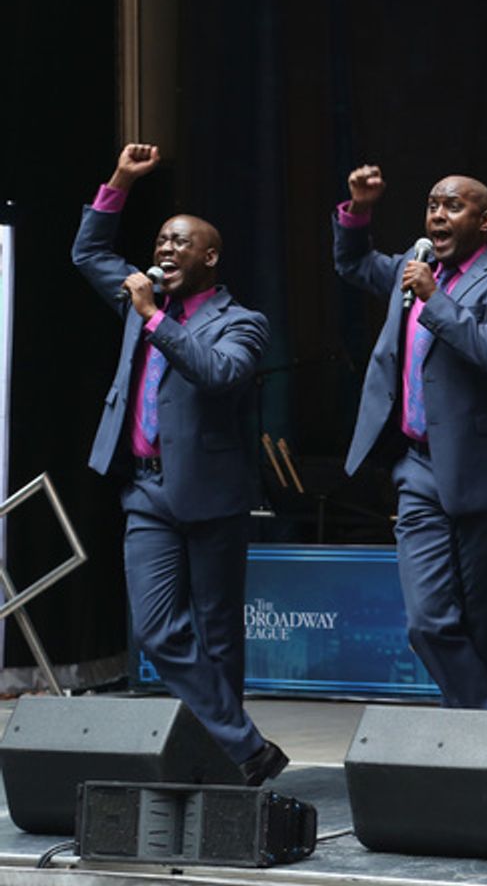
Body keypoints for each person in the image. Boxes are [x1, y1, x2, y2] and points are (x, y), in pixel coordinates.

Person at [71, 143, 286, 785]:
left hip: (213, 494)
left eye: (179, 243)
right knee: (160, 631)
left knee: (218, 636)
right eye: (161, 240)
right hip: (147, 490)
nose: (164, 250)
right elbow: (87, 254)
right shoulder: (141, 302)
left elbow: (219, 373)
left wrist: (153, 317)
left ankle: (223, 759)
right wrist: (118, 182)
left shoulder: (241, 321)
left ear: (209, 257)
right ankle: (247, 746)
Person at [332, 166, 487, 710]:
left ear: (485, 220)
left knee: (478, 624)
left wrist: (435, 299)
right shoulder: (412, 266)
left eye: (453, 206)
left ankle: (479, 753)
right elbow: (353, 262)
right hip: (417, 468)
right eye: (432, 205)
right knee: (427, 621)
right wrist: (358, 209)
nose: (437, 216)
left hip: (484, 471)